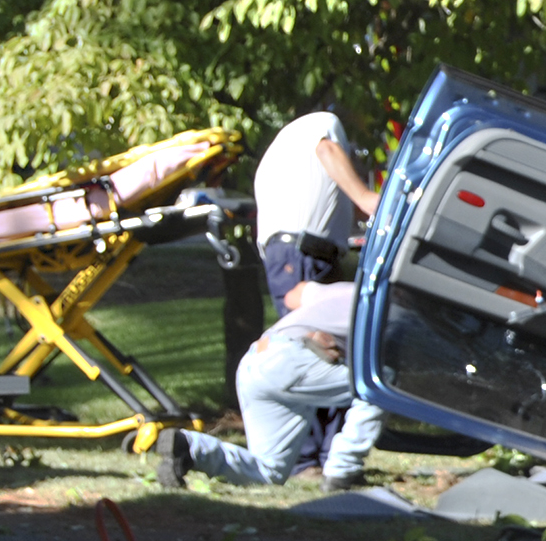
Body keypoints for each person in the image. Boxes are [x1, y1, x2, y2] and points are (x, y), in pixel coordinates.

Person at [155, 282, 384, 490]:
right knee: (381, 388)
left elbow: (293, 295)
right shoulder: (393, 308)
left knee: (269, 471)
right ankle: (342, 473)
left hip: (257, 359)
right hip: (291, 361)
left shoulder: (346, 290)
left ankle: (190, 447)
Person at [252, 109, 381, 312]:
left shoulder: (293, 157)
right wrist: (365, 196)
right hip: (302, 255)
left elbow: (342, 207)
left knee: (329, 337)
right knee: (314, 338)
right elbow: (326, 149)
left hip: (300, 255)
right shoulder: (324, 123)